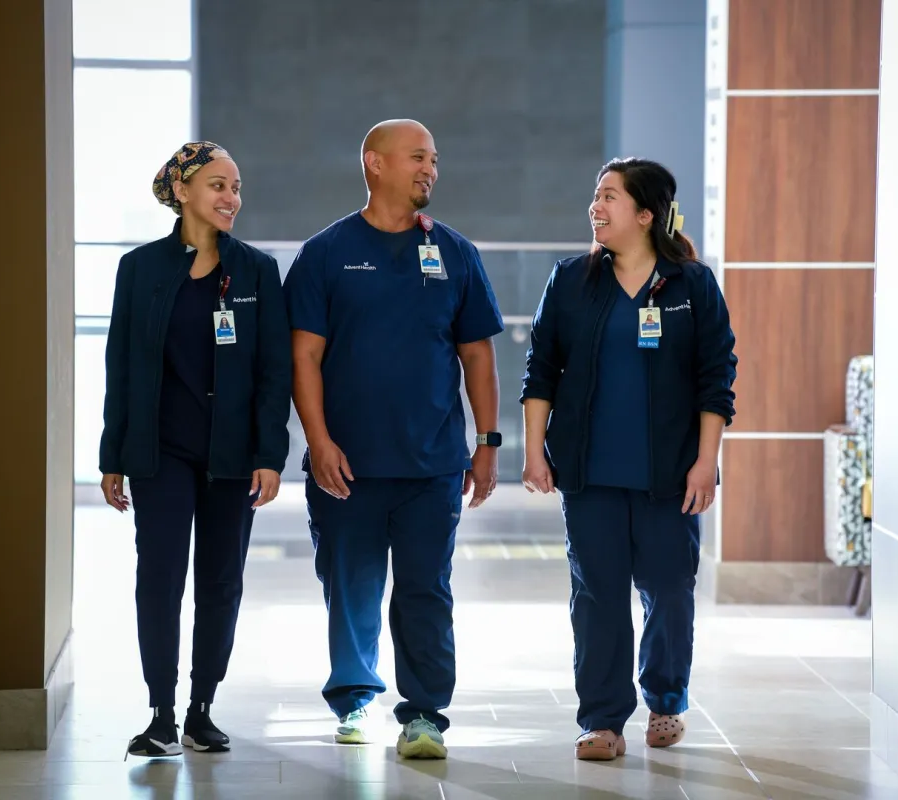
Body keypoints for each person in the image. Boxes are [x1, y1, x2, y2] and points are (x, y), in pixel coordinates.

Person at [283, 119, 504, 759]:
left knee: (425, 589)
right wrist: (318, 440)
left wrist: (487, 442)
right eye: (416, 158)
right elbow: (304, 357)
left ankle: (426, 714)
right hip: (345, 464)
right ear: (374, 164)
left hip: (432, 464)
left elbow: (478, 356)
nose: (429, 169)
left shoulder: (455, 252)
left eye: (434, 158)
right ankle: (354, 701)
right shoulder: (326, 252)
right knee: (349, 585)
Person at [520, 158, 737, 761]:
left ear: (646, 214)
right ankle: (603, 720)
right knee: (597, 595)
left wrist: (705, 461)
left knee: (669, 589)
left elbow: (716, 378)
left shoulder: (692, 286)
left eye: (609, 197)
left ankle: (666, 699)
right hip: (590, 472)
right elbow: (540, 370)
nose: (596, 207)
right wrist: (535, 448)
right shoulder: (570, 281)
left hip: (670, 474)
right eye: (595, 195)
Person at [98, 141, 293, 757]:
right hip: (160, 452)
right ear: (181, 191)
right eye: (217, 185)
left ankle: (201, 709)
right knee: (158, 578)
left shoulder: (258, 271)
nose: (231, 197)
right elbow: (121, 367)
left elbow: (273, 371)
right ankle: (159, 712)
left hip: (232, 455)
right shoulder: (140, 269)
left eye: (236, 187)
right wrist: (112, 454)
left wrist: (270, 453)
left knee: (221, 580)